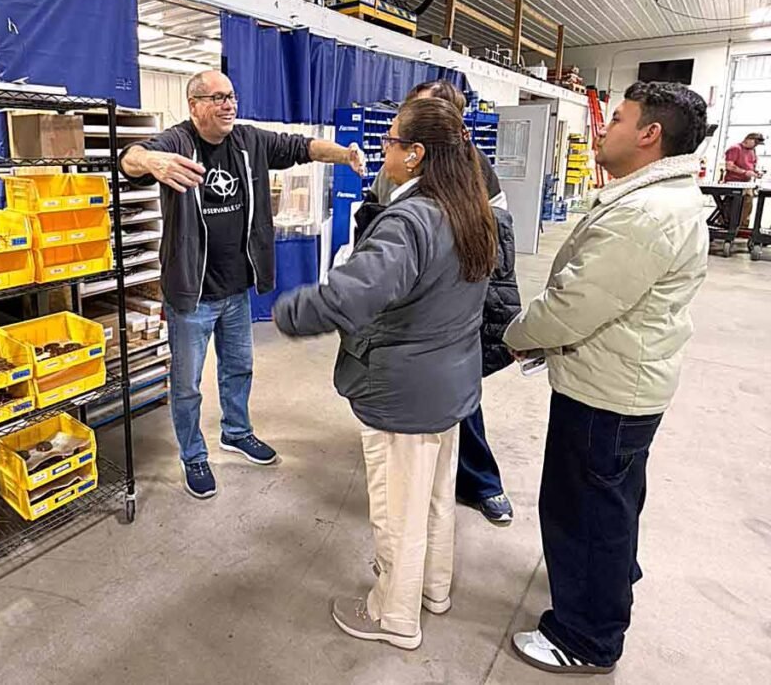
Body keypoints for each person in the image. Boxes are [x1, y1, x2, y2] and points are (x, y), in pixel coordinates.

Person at [273, 97, 498, 650]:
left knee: (398, 509)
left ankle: (393, 616)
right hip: (449, 384)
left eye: (391, 140)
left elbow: (355, 292)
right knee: (434, 498)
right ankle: (432, 590)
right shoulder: (469, 208)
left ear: (416, 154)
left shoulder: (411, 219)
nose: (383, 149)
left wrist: (294, 311)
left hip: (404, 391)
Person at [504, 81, 709, 675]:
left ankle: (587, 637)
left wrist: (517, 334)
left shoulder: (646, 213)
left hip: (608, 394)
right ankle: (606, 581)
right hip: (622, 379)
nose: (603, 127)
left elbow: (576, 304)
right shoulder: (656, 198)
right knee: (612, 500)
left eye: (617, 118)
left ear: (650, 135)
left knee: (586, 511)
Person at [119, 70, 364, 499]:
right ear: (194, 106)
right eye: (217, 97)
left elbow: (302, 147)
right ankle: (193, 455)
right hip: (191, 293)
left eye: (231, 95)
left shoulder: (249, 141)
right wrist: (153, 162)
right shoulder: (177, 142)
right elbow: (129, 157)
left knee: (239, 368)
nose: (229, 104)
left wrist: (344, 154)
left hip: (235, 291)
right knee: (187, 385)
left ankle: (236, 431)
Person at [367, 80, 517, 526]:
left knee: (459, 398)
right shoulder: (394, 165)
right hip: (406, 304)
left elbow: (495, 241)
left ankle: (482, 482)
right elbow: (376, 215)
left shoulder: (474, 166)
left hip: (455, 300)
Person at [723, 131, 765, 227]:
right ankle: (726, 225)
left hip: (746, 183)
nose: (756, 145)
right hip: (733, 182)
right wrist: (744, 172)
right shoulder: (735, 148)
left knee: (747, 206)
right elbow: (729, 166)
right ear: (748, 139)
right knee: (731, 207)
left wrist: (756, 172)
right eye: (755, 142)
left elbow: (751, 166)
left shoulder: (753, 151)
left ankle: (743, 228)